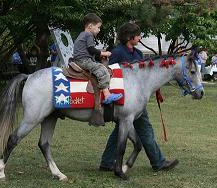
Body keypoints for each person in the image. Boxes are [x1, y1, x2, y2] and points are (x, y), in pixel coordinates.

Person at [99, 22, 179, 172]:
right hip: (122, 101)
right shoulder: (117, 53)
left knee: (122, 131)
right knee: (141, 130)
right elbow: (109, 74)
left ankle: (107, 162)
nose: (140, 37)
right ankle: (158, 162)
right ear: (130, 37)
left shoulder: (138, 54)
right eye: (138, 35)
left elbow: (145, 76)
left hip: (137, 101)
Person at [73, 13, 122, 104]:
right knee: (101, 69)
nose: (99, 30)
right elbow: (91, 50)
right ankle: (107, 95)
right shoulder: (88, 35)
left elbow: (89, 50)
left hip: (80, 59)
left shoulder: (82, 34)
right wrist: (104, 53)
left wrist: (99, 53)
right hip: (84, 60)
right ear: (90, 26)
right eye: (98, 27)